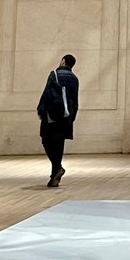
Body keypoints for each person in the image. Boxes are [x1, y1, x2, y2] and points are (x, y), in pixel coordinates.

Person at [36, 54, 79, 187]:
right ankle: (54, 174)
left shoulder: (54, 74)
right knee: (59, 144)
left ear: (63, 61)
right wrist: (72, 116)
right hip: (66, 116)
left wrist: (40, 110)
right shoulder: (75, 78)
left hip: (51, 115)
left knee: (46, 141)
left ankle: (57, 167)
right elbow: (75, 100)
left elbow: (47, 93)